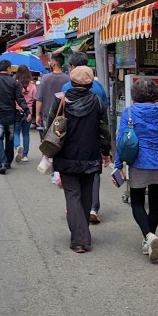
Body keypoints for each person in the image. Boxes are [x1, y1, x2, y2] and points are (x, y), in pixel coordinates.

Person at [114, 77, 158, 263]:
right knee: (155, 202)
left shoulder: (129, 113)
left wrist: (118, 166)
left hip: (138, 162)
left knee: (137, 202)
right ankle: (150, 238)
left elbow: (121, 142)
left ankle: (148, 236)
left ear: (135, 95)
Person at [50, 65, 110, 253]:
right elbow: (104, 130)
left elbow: (50, 127)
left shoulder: (60, 101)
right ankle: (81, 233)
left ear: (71, 81)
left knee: (72, 195)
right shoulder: (97, 102)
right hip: (90, 155)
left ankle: (79, 239)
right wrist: (106, 151)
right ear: (91, 83)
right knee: (85, 195)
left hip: (66, 155)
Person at [61, 52, 110, 224]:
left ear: (73, 68)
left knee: (73, 181)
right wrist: (106, 149)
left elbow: (59, 119)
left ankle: (74, 209)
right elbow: (105, 115)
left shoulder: (66, 87)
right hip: (93, 140)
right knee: (92, 175)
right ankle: (92, 208)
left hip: (71, 142)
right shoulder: (98, 87)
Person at [0, 59, 30, 174]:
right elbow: (19, 98)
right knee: (9, 138)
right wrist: (27, 110)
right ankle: (8, 161)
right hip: (10, 114)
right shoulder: (13, 82)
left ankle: (2, 162)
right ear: (8, 69)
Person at [35, 52, 70, 136]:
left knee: (48, 141)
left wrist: (37, 115)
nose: (49, 63)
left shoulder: (45, 78)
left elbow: (39, 98)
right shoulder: (68, 79)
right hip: (64, 115)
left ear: (54, 62)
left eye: (50, 61)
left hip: (47, 115)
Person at [12, 64, 36, 164]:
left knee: (16, 132)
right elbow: (35, 99)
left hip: (17, 111)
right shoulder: (33, 85)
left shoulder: (15, 83)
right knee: (26, 133)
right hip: (28, 112)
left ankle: (17, 147)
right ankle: (25, 155)